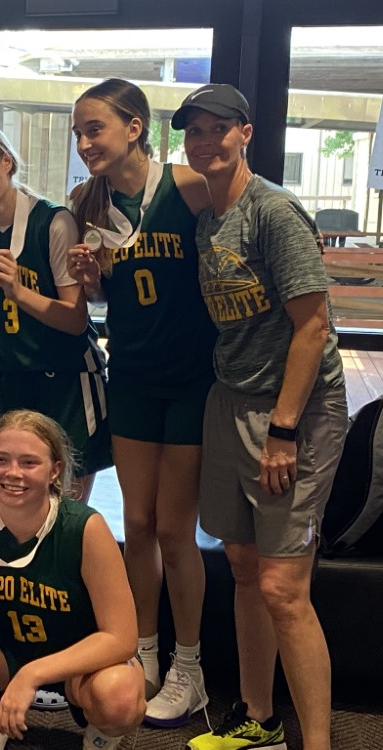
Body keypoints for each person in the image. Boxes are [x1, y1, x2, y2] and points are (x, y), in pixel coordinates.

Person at [172, 84, 348, 750]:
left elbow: (313, 327)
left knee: (282, 588)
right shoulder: (209, 219)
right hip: (231, 400)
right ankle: (260, 720)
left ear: (245, 133)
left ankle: (318, 742)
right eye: (194, 131)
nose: (205, 141)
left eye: (218, 128)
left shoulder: (273, 211)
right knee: (244, 568)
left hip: (294, 411)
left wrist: (283, 430)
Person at [66, 78, 215, 726]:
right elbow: (109, 293)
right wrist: (92, 281)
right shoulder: (86, 200)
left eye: (94, 128)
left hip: (191, 380)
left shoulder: (189, 187)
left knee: (176, 529)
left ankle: (191, 667)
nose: (84, 143)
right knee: (138, 522)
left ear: (135, 128)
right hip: (130, 375)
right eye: (78, 132)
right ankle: (143, 651)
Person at [0, 409, 144, 750]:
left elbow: (122, 639)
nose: (13, 473)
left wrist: (32, 674)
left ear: (55, 471)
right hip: (4, 652)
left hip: (76, 663)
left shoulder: (85, 527)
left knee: (120, 696)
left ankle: (100, 739)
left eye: (29, 462)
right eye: (0, 460)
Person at [0, 117, 110, 503]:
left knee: (65, 512)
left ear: (7, 161)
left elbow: (75, 319)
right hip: (13, 378)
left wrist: (18, 292)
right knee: (15, 506)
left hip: (67, 380)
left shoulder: (53, 221)